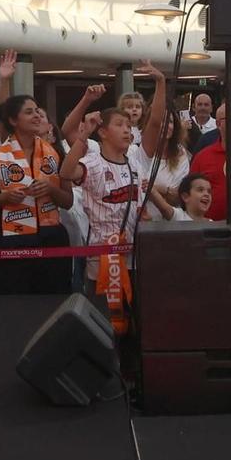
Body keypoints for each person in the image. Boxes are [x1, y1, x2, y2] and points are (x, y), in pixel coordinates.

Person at [61, 104, 165, 332]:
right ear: (103, 132)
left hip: (133, 254)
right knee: (105, 322)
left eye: (129, 126)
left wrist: (144, 216)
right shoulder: (93, 162)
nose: (127, 130)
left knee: (134, 322)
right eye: (119, 125)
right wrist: (83, 136)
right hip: (103, 257)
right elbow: (66, 173)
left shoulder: (134, 163)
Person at [0, 93, 73, 295]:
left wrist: (50, 189)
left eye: (38, 111)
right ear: (13, 120)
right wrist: (3, 198)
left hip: (51, 238)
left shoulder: (55, 153)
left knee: (52, 303)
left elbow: (68, 201)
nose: (37, 116)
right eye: (29, 112)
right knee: (13, 304)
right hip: (10, 240)